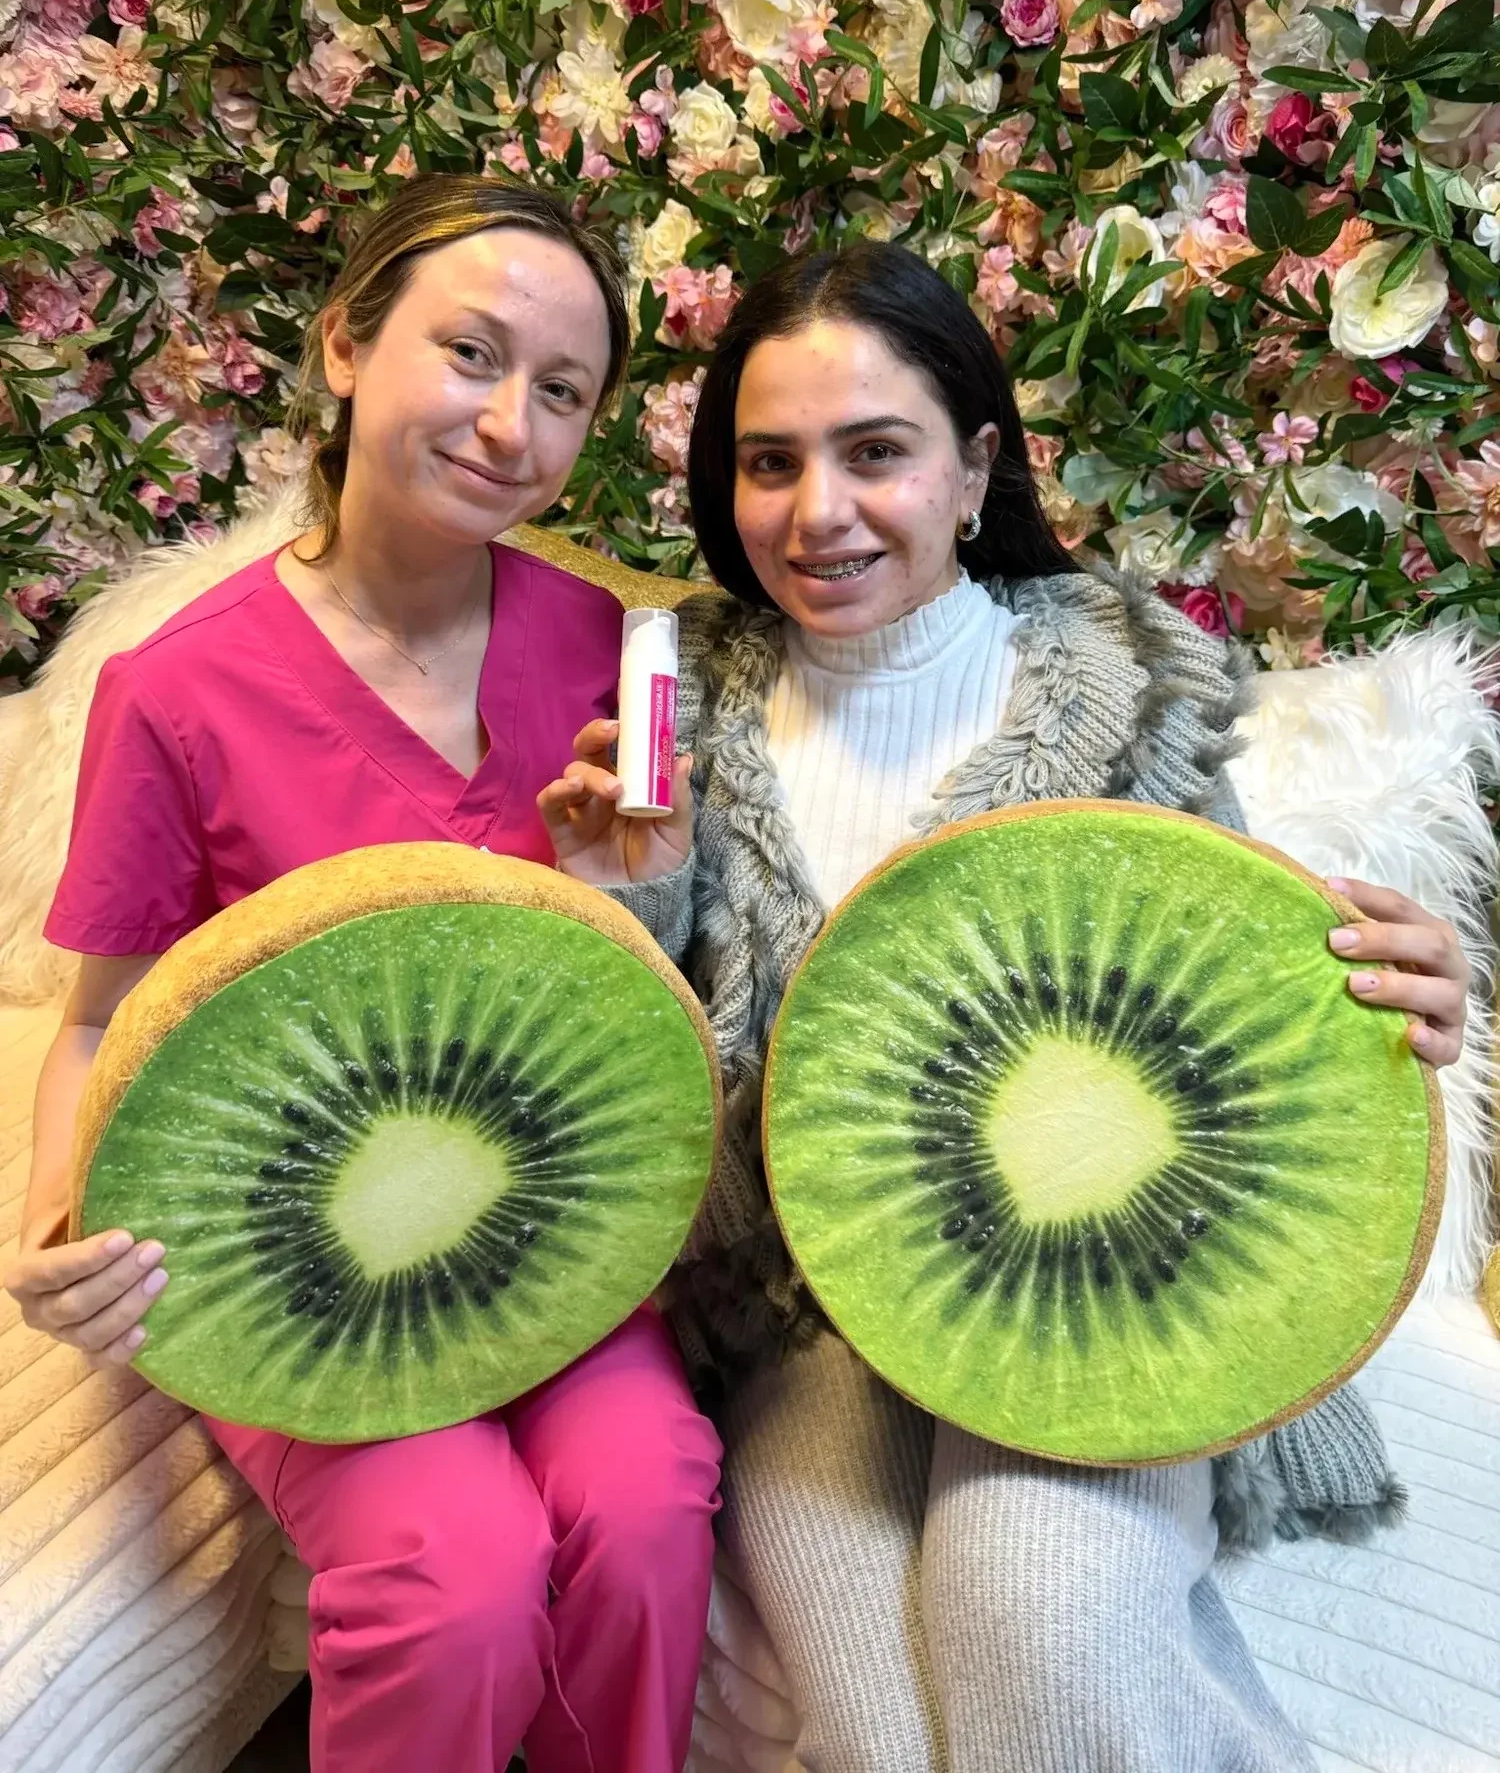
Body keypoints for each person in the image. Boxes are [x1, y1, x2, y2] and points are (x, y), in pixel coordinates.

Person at [538, 240, 1470, 1773]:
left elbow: (1234, 1002)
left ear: (975, 467)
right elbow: (629, 1104)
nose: (818, 511)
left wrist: (1394, 1001)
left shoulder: (1120, 691)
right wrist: (625, 894)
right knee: (871, 1724)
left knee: (1034, 1616)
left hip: (1100, 1286)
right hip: (803, 1308)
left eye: (876, 453)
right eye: (770, 463)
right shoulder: (673, 700)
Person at [5, 175, 721, 1773]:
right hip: (293, 1243)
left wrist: (634, 893)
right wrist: (58, 1225)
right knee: (454, 1574)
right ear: (345, 345)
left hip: (549, 1221)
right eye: (470, 354)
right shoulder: (174, 691)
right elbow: (104, 1018)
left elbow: (639, 984)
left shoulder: (613, 646)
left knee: (650, 1506)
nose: (509, 426)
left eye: (562, 393)